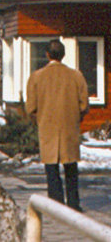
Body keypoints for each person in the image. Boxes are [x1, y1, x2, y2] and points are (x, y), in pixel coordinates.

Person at [26, 39, 89, 211]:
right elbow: (84, 105)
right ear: (63, 54)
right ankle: (74, 204)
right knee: (71, 167)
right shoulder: (76, 76)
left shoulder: (36, 77)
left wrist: (39, 120)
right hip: (69, 126)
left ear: (47, 54)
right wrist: (77, 117)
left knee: (51, 168)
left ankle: (55, 205)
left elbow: (31, 108)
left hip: (47, 126)